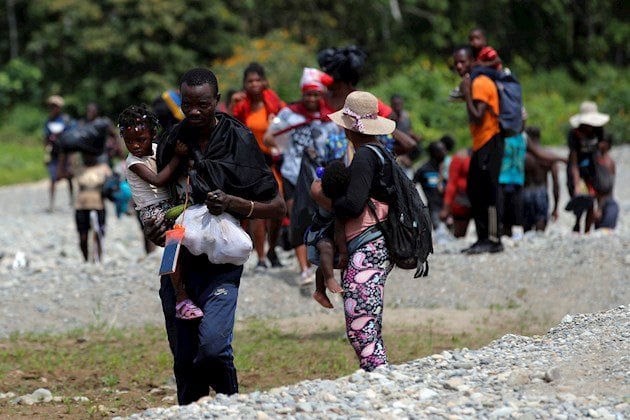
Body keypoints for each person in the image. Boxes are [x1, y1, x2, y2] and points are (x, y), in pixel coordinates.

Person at [144, 67, 285, 405]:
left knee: (213, 347)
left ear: (217, 102)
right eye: (188, 104)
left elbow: (277, 206)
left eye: (203, 105)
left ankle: (230, 407)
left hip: (221, 262)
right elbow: (156, 204)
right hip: (179, 262)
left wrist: (233, 203)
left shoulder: (239, 140)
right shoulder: (172, 142)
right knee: (184, 357)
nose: (194, 112)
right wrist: (153, 229)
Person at [311, 91, 396, 371]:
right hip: (374, 242)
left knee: (359, 317)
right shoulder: (377, 152)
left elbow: (352, 205)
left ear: (349, 125)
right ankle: (376, 372)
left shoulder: (364, 157)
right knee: (368, 314)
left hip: (367, 243)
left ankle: (377, 374)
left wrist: (321, 197)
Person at [119, 104, 204, 321]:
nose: (135, 146)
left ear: (153, 134)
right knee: (173, 242)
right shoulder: (134, 162)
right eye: (129, 142)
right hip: (153, 211)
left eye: (141, 140)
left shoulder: (158, 149)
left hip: (168, 203)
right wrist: (177, 157)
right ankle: (181, 296)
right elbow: (158, 180)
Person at [264, 67, 335, 284]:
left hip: (320, 177)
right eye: (308, 94)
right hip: (293, 174)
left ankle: (325, 267)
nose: (312, 98)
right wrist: (281, 149)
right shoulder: (289, 113)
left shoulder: (329, 117)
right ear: (302, 93)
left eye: (316, 94)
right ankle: (304, 268)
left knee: (323, 219)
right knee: (298, 217)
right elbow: (269, 137)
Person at [232, 62, 286, 270]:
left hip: (272, 163)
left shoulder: (274, 104)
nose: (254, 84)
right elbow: (230, 128)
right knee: (256, 210)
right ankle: (262, 257)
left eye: (257, 80)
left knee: (277, 207)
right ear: (245, 84)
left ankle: (273, 249)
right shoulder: (241, 106)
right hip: (250, 165)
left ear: (264, 81)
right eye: (250, 80)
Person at [453, 46, 504, 254]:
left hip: (491, 140)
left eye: (463, 62)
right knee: (474, 190)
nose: (459, 66)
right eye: (456, 62)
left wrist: (466, 94)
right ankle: (482, 237)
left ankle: (494, 239)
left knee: (489, 191)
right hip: (480, 143)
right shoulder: (473, 82)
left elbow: (478, 116)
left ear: (473, 62)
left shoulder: (481, 83)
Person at [306, 161, 348, 309]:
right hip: (320, 232)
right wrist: (343, 251)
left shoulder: (338, 196)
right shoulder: (321, 191)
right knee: (326, 249)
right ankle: (329, 279)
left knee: (326, 262)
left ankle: (319, 291)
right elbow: (338, 229)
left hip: (332, 231)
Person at [566, 101, 610, 233]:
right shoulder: (574, 135)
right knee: (580, 199)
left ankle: (586, 232)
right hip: (577, 170)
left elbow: (602, 151)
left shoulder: (598, 131)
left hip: (592, 169)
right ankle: (577, 223)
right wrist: (577, 184)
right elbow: (573, 163)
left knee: (591, 200)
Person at [74, 152, 112, 262]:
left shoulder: (104, 168)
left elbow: (112, 183)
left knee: (99, 233)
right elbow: (61, 173)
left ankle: (98, 259)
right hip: (81, 206)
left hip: (99, 205)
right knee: (83, 236)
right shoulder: (79, 168)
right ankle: (86, 259)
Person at [523, 126, 561, 232]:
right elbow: (556, 183)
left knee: (526, 226)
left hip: (525, 192)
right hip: (541, 192)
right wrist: (556, 207)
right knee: (541, 222)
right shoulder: (548, 156)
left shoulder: (524, 157)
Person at [450, 29, 503, 101]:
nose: (474, 42)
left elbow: (497, 60)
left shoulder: (488, 50)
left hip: (494, 72)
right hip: (485, 73)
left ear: (484, 40)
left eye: (477, 39)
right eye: (471, 40)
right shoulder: (476, 54)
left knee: (477, 70)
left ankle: (466, 84)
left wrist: (484, 64)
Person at [44, 95, 75, 212]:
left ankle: (72, 201)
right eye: (51, 106)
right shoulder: (48, 121)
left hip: (66, 153)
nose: (52, 109)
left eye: (54, 106)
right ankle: (51, 204)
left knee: (69, 177)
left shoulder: (66, 120)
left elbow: (72, 135)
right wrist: (45, 154)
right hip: (54, 153)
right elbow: (46, 139)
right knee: (52, 177)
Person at [440, 148, 473, 238]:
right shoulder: (460, 158)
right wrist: (446, 207)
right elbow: (452, 183)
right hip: (461, 199)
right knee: (460, 234)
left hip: (475, 198)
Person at [413, 141, 447, 230]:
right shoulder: (423, 170)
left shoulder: (448, 167)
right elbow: (412, 187)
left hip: (449, 207)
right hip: (433, 208)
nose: (444, 153)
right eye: (441, 150)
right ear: (434, 153)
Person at [593, 135, 618, 230]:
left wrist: (599, 208)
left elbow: (607, 187)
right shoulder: (597, 159)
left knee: (605, 232)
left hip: (607, 203)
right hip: (601, 203)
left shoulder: (608, 162)